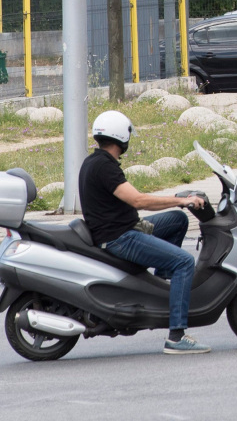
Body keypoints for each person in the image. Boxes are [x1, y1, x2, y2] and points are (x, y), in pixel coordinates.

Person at [80, 110, 210, 355]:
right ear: (121, 137)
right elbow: (138, 201)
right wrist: (179, 199)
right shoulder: (104, 167)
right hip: (120, 238)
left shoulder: (95, 161)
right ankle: (177, 336)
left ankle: (160, 285)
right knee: (184, 262)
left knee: (177, 220)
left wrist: (178, 203)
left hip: (124, 228)